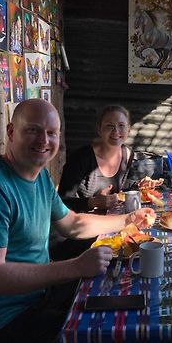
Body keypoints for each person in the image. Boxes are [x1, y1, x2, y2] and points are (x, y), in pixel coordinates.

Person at [0, 99, 156, 343]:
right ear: (11, 132)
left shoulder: (37, 178)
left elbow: (72, 224)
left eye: (52, 133)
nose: (44, 140)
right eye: (33, 130)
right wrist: (76, 266)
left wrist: (126, 221)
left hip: (40, 298)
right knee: (107, 340)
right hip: (5, 324)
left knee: (127, 304)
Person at [50, 104, 132, 260]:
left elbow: (127, 190)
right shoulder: (80, 159)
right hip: (76, 237)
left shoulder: (128, 155)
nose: (116, 131)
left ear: (129, 129)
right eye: (109, 126)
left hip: (109, 230)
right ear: (99, 129)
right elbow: (61, 203)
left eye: (121, 126)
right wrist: (93, 202)